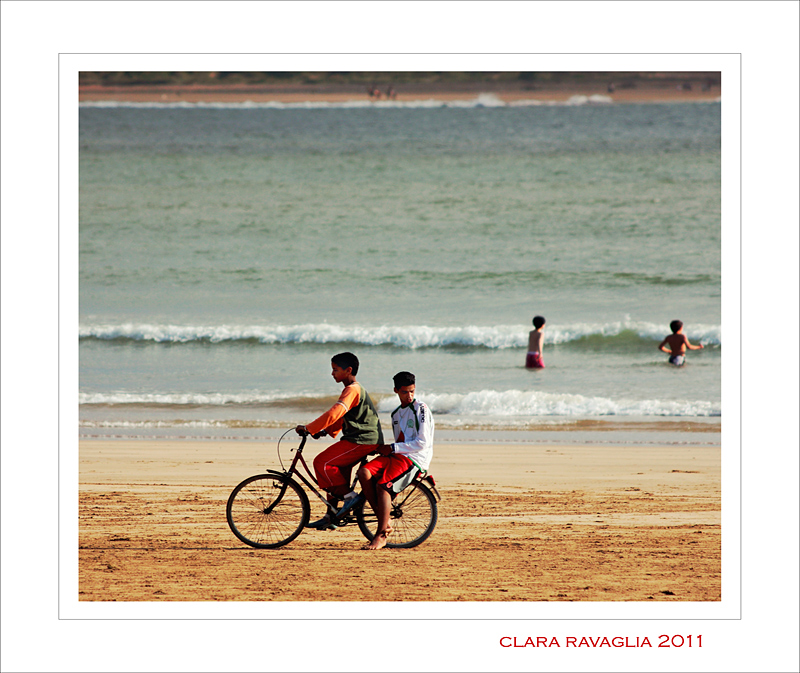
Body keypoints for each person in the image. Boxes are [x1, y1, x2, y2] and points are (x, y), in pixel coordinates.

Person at [295, 352, 384, 527]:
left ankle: (351, 498)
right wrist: (326, 431)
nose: (332, 373)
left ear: (348, 370)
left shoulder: (352, 389)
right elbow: (343, 417)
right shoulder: (351, 389)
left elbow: (336, 412)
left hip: (362, 440)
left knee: (322, 463)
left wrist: (310, 428)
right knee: (336, 475)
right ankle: (331, 517)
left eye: (335, 370)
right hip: (358, 438)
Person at [357, 371, 434, 550]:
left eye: (412, 391)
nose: (409, 396)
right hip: (399, 455)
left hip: (415, 459)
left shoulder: (420, 409)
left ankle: (381, 535)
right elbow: (400, 441)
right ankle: (385, 520)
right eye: (405, 392)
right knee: (363, 472)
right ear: (396, 391)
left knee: (383, 487)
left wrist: (392, 448)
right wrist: (387, 449)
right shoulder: (396, 415)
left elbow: (422, 443)